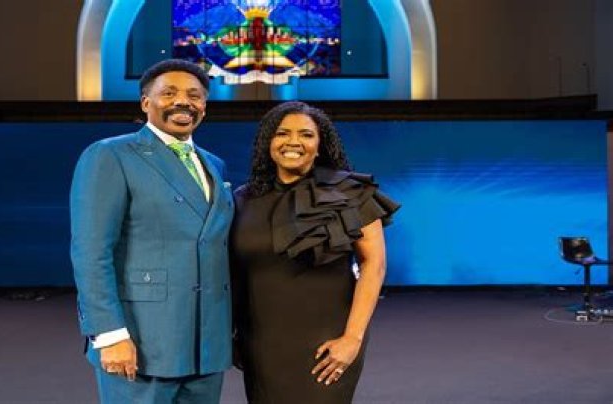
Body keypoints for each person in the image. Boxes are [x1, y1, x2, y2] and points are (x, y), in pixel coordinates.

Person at [70, 59, 234, 403]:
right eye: (169, 93)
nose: (183, 101)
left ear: (204, 106)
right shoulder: (110, 155)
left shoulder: (214, 164)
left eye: (194, 95)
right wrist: (108, 333)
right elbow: (91, 252)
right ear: (146, 102)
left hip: (205, 347)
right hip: (142, 341)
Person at [230, 101, 400, 403]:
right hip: (261, 343)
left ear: (320, 145)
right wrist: (234, 334)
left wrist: (352, 338)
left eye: (306, 135)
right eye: (282, 133)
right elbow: (234, 274)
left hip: (328, 341)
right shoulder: (242, 199)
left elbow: (373, 265)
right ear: (268, 142)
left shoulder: (351, 193)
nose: (293, 142)